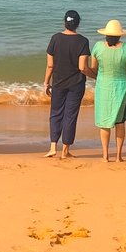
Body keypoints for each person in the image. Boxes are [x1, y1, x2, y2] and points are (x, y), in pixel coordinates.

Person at [86, 20, 126, 163]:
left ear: (106, 35)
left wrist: (86, 72)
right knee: (120, 122)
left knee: (104, 122)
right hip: (122, 86)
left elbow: (94, 69)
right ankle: (118, 156)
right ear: (120, 36)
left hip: (104, 85)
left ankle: (105, 155)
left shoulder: (98, 47)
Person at [42, 10, 91, 159]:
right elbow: (83, 67)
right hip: (76, 84)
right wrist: (95, 75)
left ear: (65, 22)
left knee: (56, 113)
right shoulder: (83, 41)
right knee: (70, 115)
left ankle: (52, 147)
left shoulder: (55, 38)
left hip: (58, 82)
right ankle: (65, 150)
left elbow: (50, 65)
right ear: (78, 24)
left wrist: (46, 82)